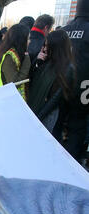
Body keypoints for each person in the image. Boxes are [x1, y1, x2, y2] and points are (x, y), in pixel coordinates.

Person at [28, 29, 75, 134]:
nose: (45, 49)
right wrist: (36, 62)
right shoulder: (47, 62)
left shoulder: (67, 68)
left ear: (56, 47)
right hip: (37, 111)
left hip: (50, 117)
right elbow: (31, 83)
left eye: (47, 46)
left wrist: (37, 118)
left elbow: (54, 100)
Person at [62, 0, 89, 163]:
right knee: (78, 127)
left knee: (59, 123)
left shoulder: (64, 31)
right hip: (84, 89)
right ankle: (71, 164)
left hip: (61, 86)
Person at [0, 24, 31, 100]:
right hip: (6, 101)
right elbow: (14, 83)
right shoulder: (9, 56)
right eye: (28, 39)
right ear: (21, 40)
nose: (29, 42)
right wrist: (27, 61)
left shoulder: (10, 53)